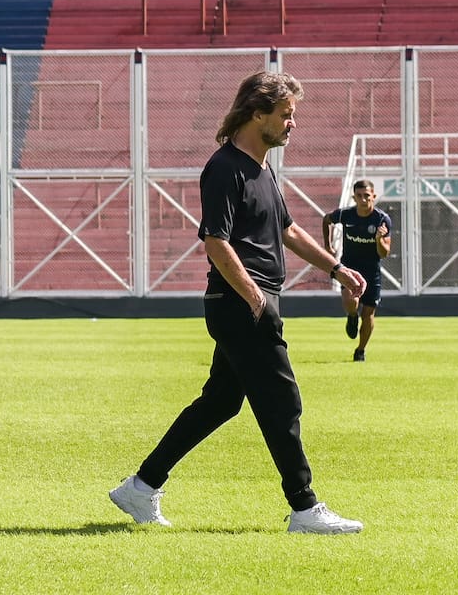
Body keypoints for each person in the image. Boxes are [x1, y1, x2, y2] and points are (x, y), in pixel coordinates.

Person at [109, 71, 369, 534]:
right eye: (286, 115)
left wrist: (336, 268)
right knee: (281, 401)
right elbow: (216, 241)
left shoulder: (262, 166)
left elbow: (287, 229)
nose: (293, 124)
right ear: (257, 113)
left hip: (251, 301)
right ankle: (305, 508)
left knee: (220, 403)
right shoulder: (225, 167)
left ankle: (141, 487)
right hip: (241, 303)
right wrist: (254, 298)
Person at [322, 179, 392, 362]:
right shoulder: (346, 214)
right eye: (359, 196)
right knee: (350, 301)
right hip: (350, 268)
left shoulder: (382, 220)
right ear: (354, 197)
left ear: (373, 197)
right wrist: (327, 246)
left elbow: (384, 253)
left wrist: (379, 239)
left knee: (368, 313)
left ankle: (360, 350)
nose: (363, 200)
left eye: (367, 196)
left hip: (372, 271)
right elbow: (327, 219)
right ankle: (352, 316)